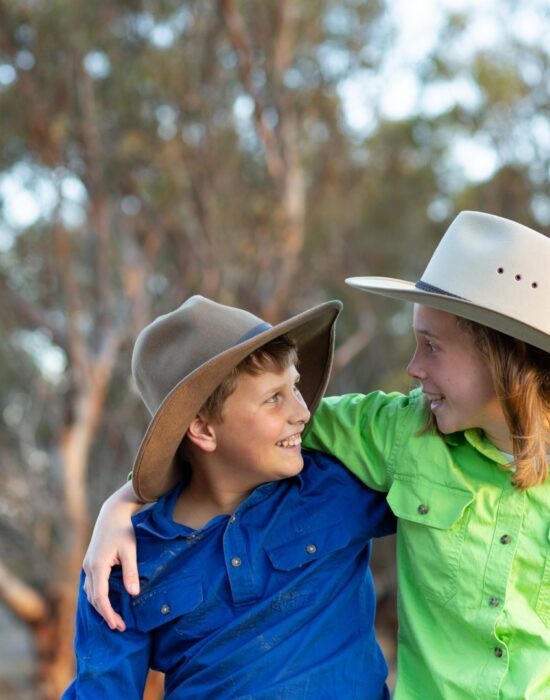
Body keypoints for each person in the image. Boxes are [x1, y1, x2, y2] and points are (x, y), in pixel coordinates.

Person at [82, 211, 550, 699]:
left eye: (431, 346)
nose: (412, 367)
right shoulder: (397, 435)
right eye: (417, 344)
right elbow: (219, 441)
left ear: (504, 356)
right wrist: (125, 502)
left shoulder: (331, 476)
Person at [64, 295, 396, 699]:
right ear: (203, 429)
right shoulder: (127, 562)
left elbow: (440, 467)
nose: (303, 411)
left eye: (294, 386)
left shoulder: (333, 486)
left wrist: (121, 498)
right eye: (273, 398)